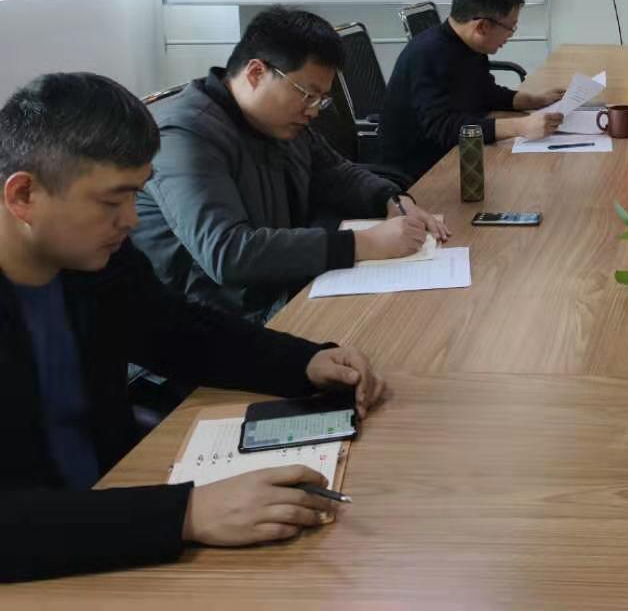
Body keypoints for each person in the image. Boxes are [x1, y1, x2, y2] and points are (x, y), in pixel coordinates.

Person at [0, 73, 391, 583]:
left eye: (135, 194)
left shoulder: (89, 259)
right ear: (24, 195)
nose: (131, 220)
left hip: (113, 507)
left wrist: (307, 360)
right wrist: (187, 513)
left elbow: (177, 330)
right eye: (112, 201)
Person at [133, 7, 449, 323]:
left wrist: (391, 199)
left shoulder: (277, 121)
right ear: (256, 73)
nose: (314, 110)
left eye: (321, 99)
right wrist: (363, 243)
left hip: (282, 291)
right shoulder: (184, 136)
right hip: (213, 321)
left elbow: (336, 172)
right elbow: (228, 252)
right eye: (307, 95)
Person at [381, 0, 564, 182]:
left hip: (457, 156)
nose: (511, 36)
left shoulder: (469, 46)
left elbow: (484, 92)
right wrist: (520, 127)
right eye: (511, 28)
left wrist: (535, 101)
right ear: (482, 26)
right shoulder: (427, 54)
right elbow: (443, 128)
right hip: (419, 174)